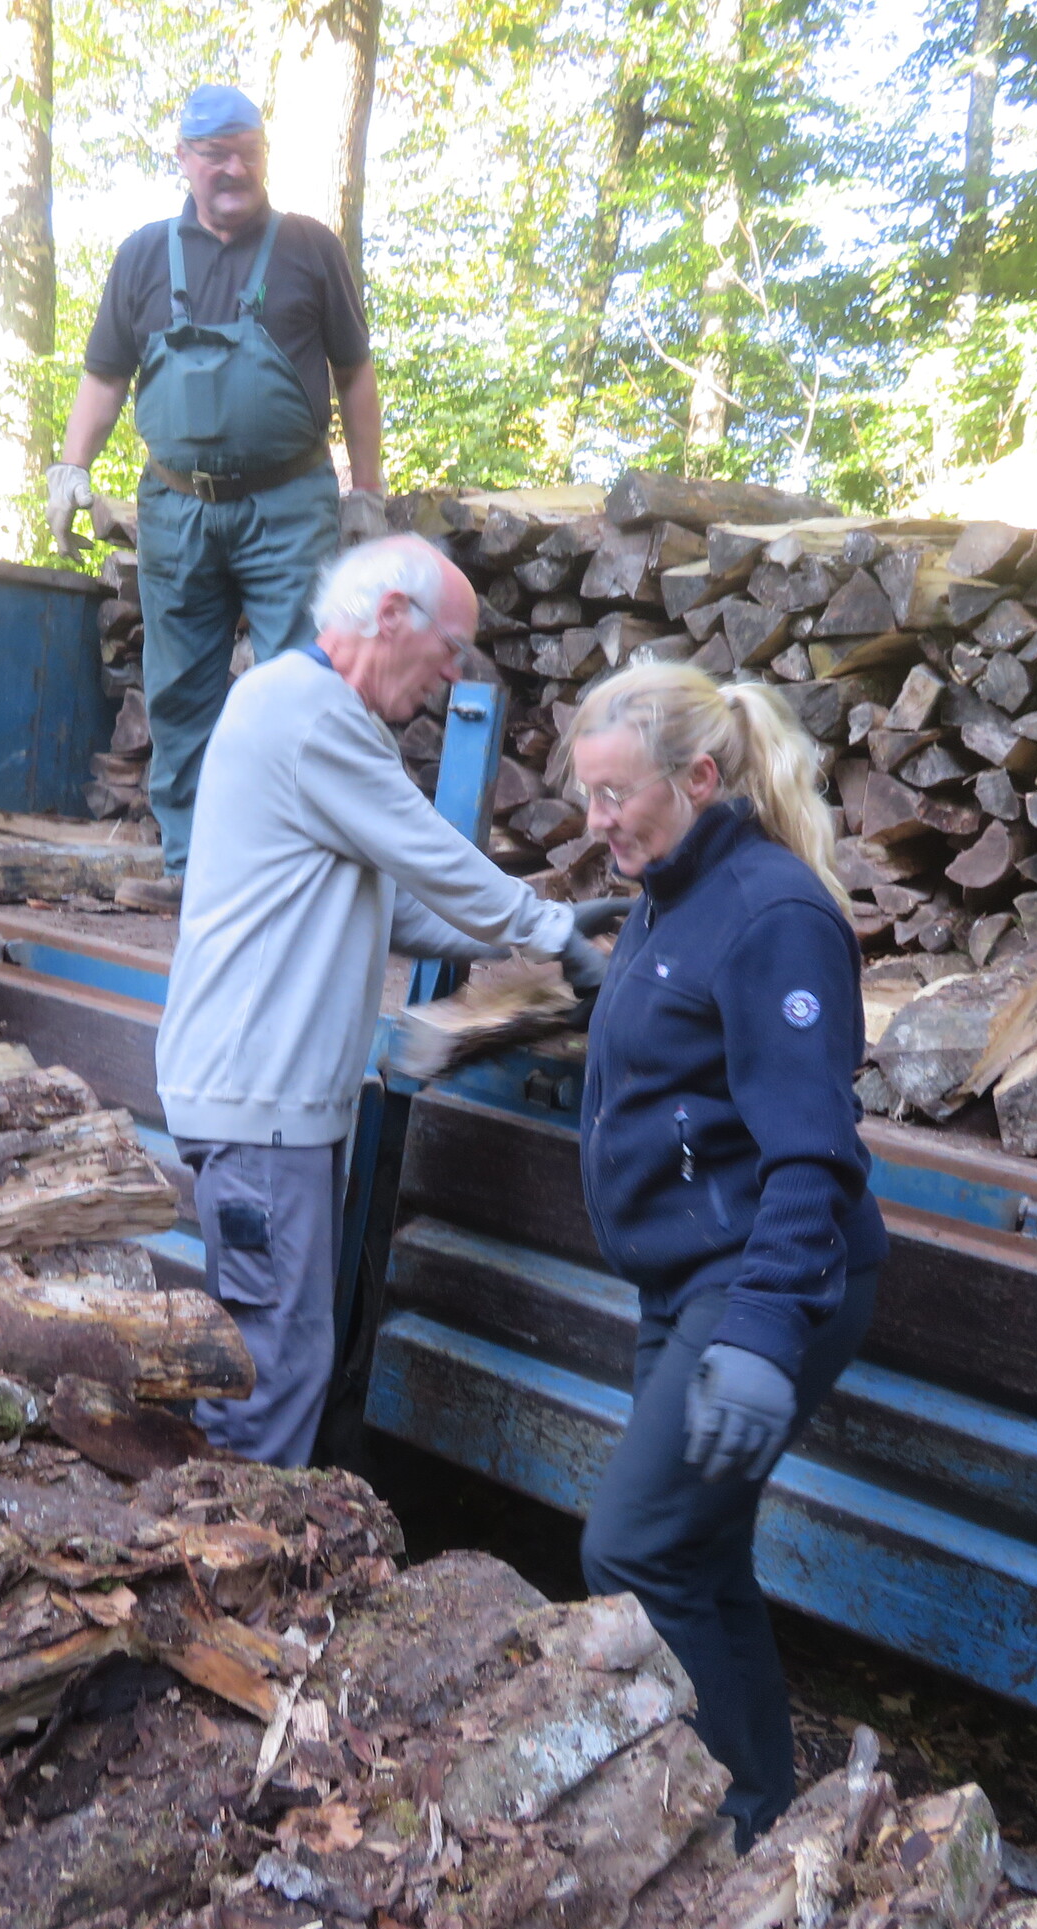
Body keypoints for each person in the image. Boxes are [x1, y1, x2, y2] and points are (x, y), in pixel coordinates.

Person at [156, 535, 602, 1467]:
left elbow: (395, 905)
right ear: (391, 615)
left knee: (276, 1355)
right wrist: (550, 930)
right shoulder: (308, 711)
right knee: (275, 1369)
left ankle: (230, 1534)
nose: (451, 676)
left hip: (273, 1101)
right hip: (260, 1102)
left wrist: (528, 933)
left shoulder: (312, 713)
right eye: (452, 649)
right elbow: (429, 852)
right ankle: (221, 1545)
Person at [566, 662, 888, 1849]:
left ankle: (729, 1810)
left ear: (700, 777)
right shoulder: (670, 893)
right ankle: (756, 1809)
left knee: (635, 1547)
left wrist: (759, 1333)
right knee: (697, 1551)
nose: (593, 821)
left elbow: (813, 1153)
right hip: (688, 1276)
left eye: (614, 795)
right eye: (587, 795)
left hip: (763, 1279)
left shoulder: (773, 917)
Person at [47, 82, 385, 910]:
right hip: (176, 509)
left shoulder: (310, 248)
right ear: (183, 159)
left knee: (306, 685)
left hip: (289, 506)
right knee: (179, 691)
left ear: (264, 156)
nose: (232, 169)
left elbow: (355, 374)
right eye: (214, 154)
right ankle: (192, 870)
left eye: (247, 152)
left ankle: (301, 871)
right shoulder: (142, 255)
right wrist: (71, 467)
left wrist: (368, 492)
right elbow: (105, 375)